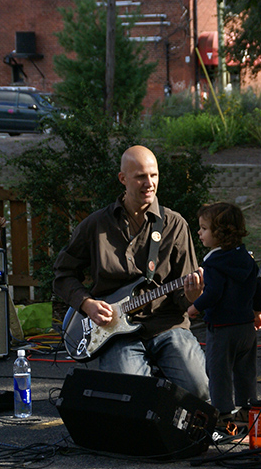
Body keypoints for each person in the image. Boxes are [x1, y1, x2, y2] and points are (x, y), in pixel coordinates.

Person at [53, 145, 209, 401]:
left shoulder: (175, 224)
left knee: (201, 391)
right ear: (123, 179)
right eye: (140, 177)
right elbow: (62, 273)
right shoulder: (95, 225)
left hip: (166, 324)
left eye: (154, 175)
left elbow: (183, 296)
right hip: (114, 332)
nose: (149, 183)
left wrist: (192, 296)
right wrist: (86, 303)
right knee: (130, 397)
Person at [187, 202, 261, 422]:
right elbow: (259, 287)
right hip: (246, 327)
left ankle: (223, 413)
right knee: (245, 371)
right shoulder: (246, 259)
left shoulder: (214, 264)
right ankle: (246, 409)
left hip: (222, 330)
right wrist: (258, 311)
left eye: (203, 228)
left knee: (219, 372)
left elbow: (213, 293)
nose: (199, 232)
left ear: (219, 233)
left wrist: (194, 307)